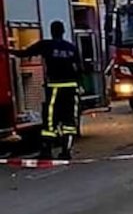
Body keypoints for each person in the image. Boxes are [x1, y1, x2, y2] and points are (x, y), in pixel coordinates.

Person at [9, 21, 81, 159]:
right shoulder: (71, 47)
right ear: (63, 31)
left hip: (54, 87)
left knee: (49, 120)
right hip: (71, 89)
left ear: (51, 31)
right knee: (69, 121)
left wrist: (6, 50)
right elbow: (80, 68)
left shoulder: (46, 45)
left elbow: (23, 53)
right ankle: (66, 152)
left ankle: (46, 152)